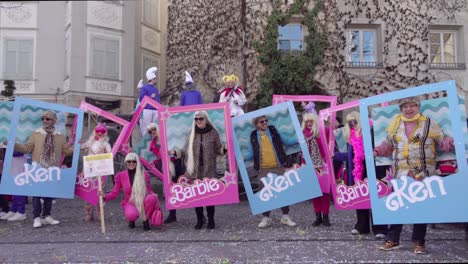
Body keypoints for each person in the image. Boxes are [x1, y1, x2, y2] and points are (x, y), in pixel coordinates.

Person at [374, 97, 454, 254]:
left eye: (412, 105)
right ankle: (393, 239)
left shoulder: (429, 123)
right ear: (401, 108)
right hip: (401, 174)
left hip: (422, 174)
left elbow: (442, 142)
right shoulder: (395, 125)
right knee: (398, 206)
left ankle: (419, 242)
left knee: (421, 208)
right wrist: (376, 151)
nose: (409, 109)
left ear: (418, 107)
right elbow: (388, 146)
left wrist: (452, 142)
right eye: (405, 106)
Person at [11, 110, 74, 228]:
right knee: (37, 194)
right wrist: (13, 144)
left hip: (52, 169)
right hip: (38, 169)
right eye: (43, 119)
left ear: (54, 121)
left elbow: (67, 151)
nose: (45, 121)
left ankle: (46, 216)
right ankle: (36, 217)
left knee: (49, 193)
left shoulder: (59, 136)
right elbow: (27, 148)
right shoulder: (36, 134)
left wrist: (77, 145)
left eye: (48, 119)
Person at [333, 112, 387, 238]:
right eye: (350, 122)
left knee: (375, 197)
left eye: (355, 121)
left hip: (374, 168)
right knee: (360, 195)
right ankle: (362, 226)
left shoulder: (371, 132)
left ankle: (380, 228)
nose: (352, 124)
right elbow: (349, 155)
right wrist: (335, 156)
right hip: (359, 170)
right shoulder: (350, 137)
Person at [173, 111, 224, 229]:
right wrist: (176, 153)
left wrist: (224, 150)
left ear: (206, 119)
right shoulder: (192, 133)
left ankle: (211, 219)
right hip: (195, 170)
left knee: (209, 197)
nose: (198, 121)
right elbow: (185, 150)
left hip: (209, 170)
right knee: (197, 197)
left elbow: (218, 149)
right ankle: (200, 219)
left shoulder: (213, 133)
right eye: (196, 119)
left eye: (201, 119)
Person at [250, 115, 297, 228]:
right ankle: (266, 218)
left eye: (266, 120)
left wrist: (300, 138)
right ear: (256, 124)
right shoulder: (253, 136)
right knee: (264, 193)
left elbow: (287, 141)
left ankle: (285, 216)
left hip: (279, 166)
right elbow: (251, 153)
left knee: (283, 192)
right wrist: (241, 157)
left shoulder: (273, 130)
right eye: (262, 122)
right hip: (263, 169)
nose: (265, 123)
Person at [103, 152, 158, 231]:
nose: (131, 163)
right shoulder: (120, 176)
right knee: (131, 215)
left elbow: (148, 190)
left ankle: (145, 220)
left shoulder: (145, 175)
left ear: (137, 163)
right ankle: (131, 220)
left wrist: (154, 197)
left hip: (143, 200)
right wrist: (105, 196)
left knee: (152, 198)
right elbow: (114, 193)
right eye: (129, 161)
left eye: (134, 161)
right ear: (125, 163)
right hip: (130, 202)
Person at [302, 113, 331, 227]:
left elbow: (331, 132)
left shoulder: (322, 132)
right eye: (307, 121)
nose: (309, 124)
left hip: (323, 165)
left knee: (325, 192)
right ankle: (317, 216)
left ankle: (326, 216)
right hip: (309, 165)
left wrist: (328, 119)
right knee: (315, 192)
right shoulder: (303, 135)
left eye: (311, 121)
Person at [81, 123, 112, 222]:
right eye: (97, 130)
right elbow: (82, 146)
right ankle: (89, 213)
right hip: (90, 170)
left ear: (105, 132)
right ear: (95, 131)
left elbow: (110, 154)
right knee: (89, 190)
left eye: (102, 131)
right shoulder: (90, 142)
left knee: (100, 191)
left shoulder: (106, 144)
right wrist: (77, 143)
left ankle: (100, 213)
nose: (99, 133)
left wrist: (103, 156)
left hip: (100, 171)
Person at [0, 151, 28, 221]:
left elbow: (22, 148)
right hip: (11, 160)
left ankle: (21, 211)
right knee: (13, 186)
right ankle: (14, 209)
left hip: (18, 160)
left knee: (18, 186)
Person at [138, 66, 160, 136]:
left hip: (155, 110)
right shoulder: (144, 88)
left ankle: (154, 143)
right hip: (147, 110)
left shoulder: (155, 89)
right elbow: (141, 99)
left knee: (155, 128)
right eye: (155, 79)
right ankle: (145, 143)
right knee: (146, 128)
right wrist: (150, 97)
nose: (156, 80)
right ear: (152, 79)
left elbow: (158, 100)